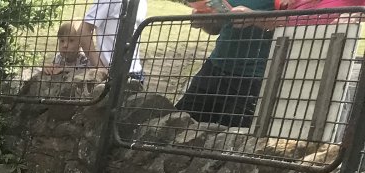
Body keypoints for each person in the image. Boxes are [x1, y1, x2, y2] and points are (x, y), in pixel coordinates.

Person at [175, 0, 278, 128]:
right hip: (214, 67)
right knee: (177, 124)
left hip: (250, 79)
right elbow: (216, 28)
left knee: (230, 139)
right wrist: (204, 19)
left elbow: (292, 20)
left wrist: (253, 17)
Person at [83, 0, 150, 84]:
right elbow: (84, 30)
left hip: (136, 73)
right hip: (110, 74)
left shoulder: (142, 2)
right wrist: (99, 67)